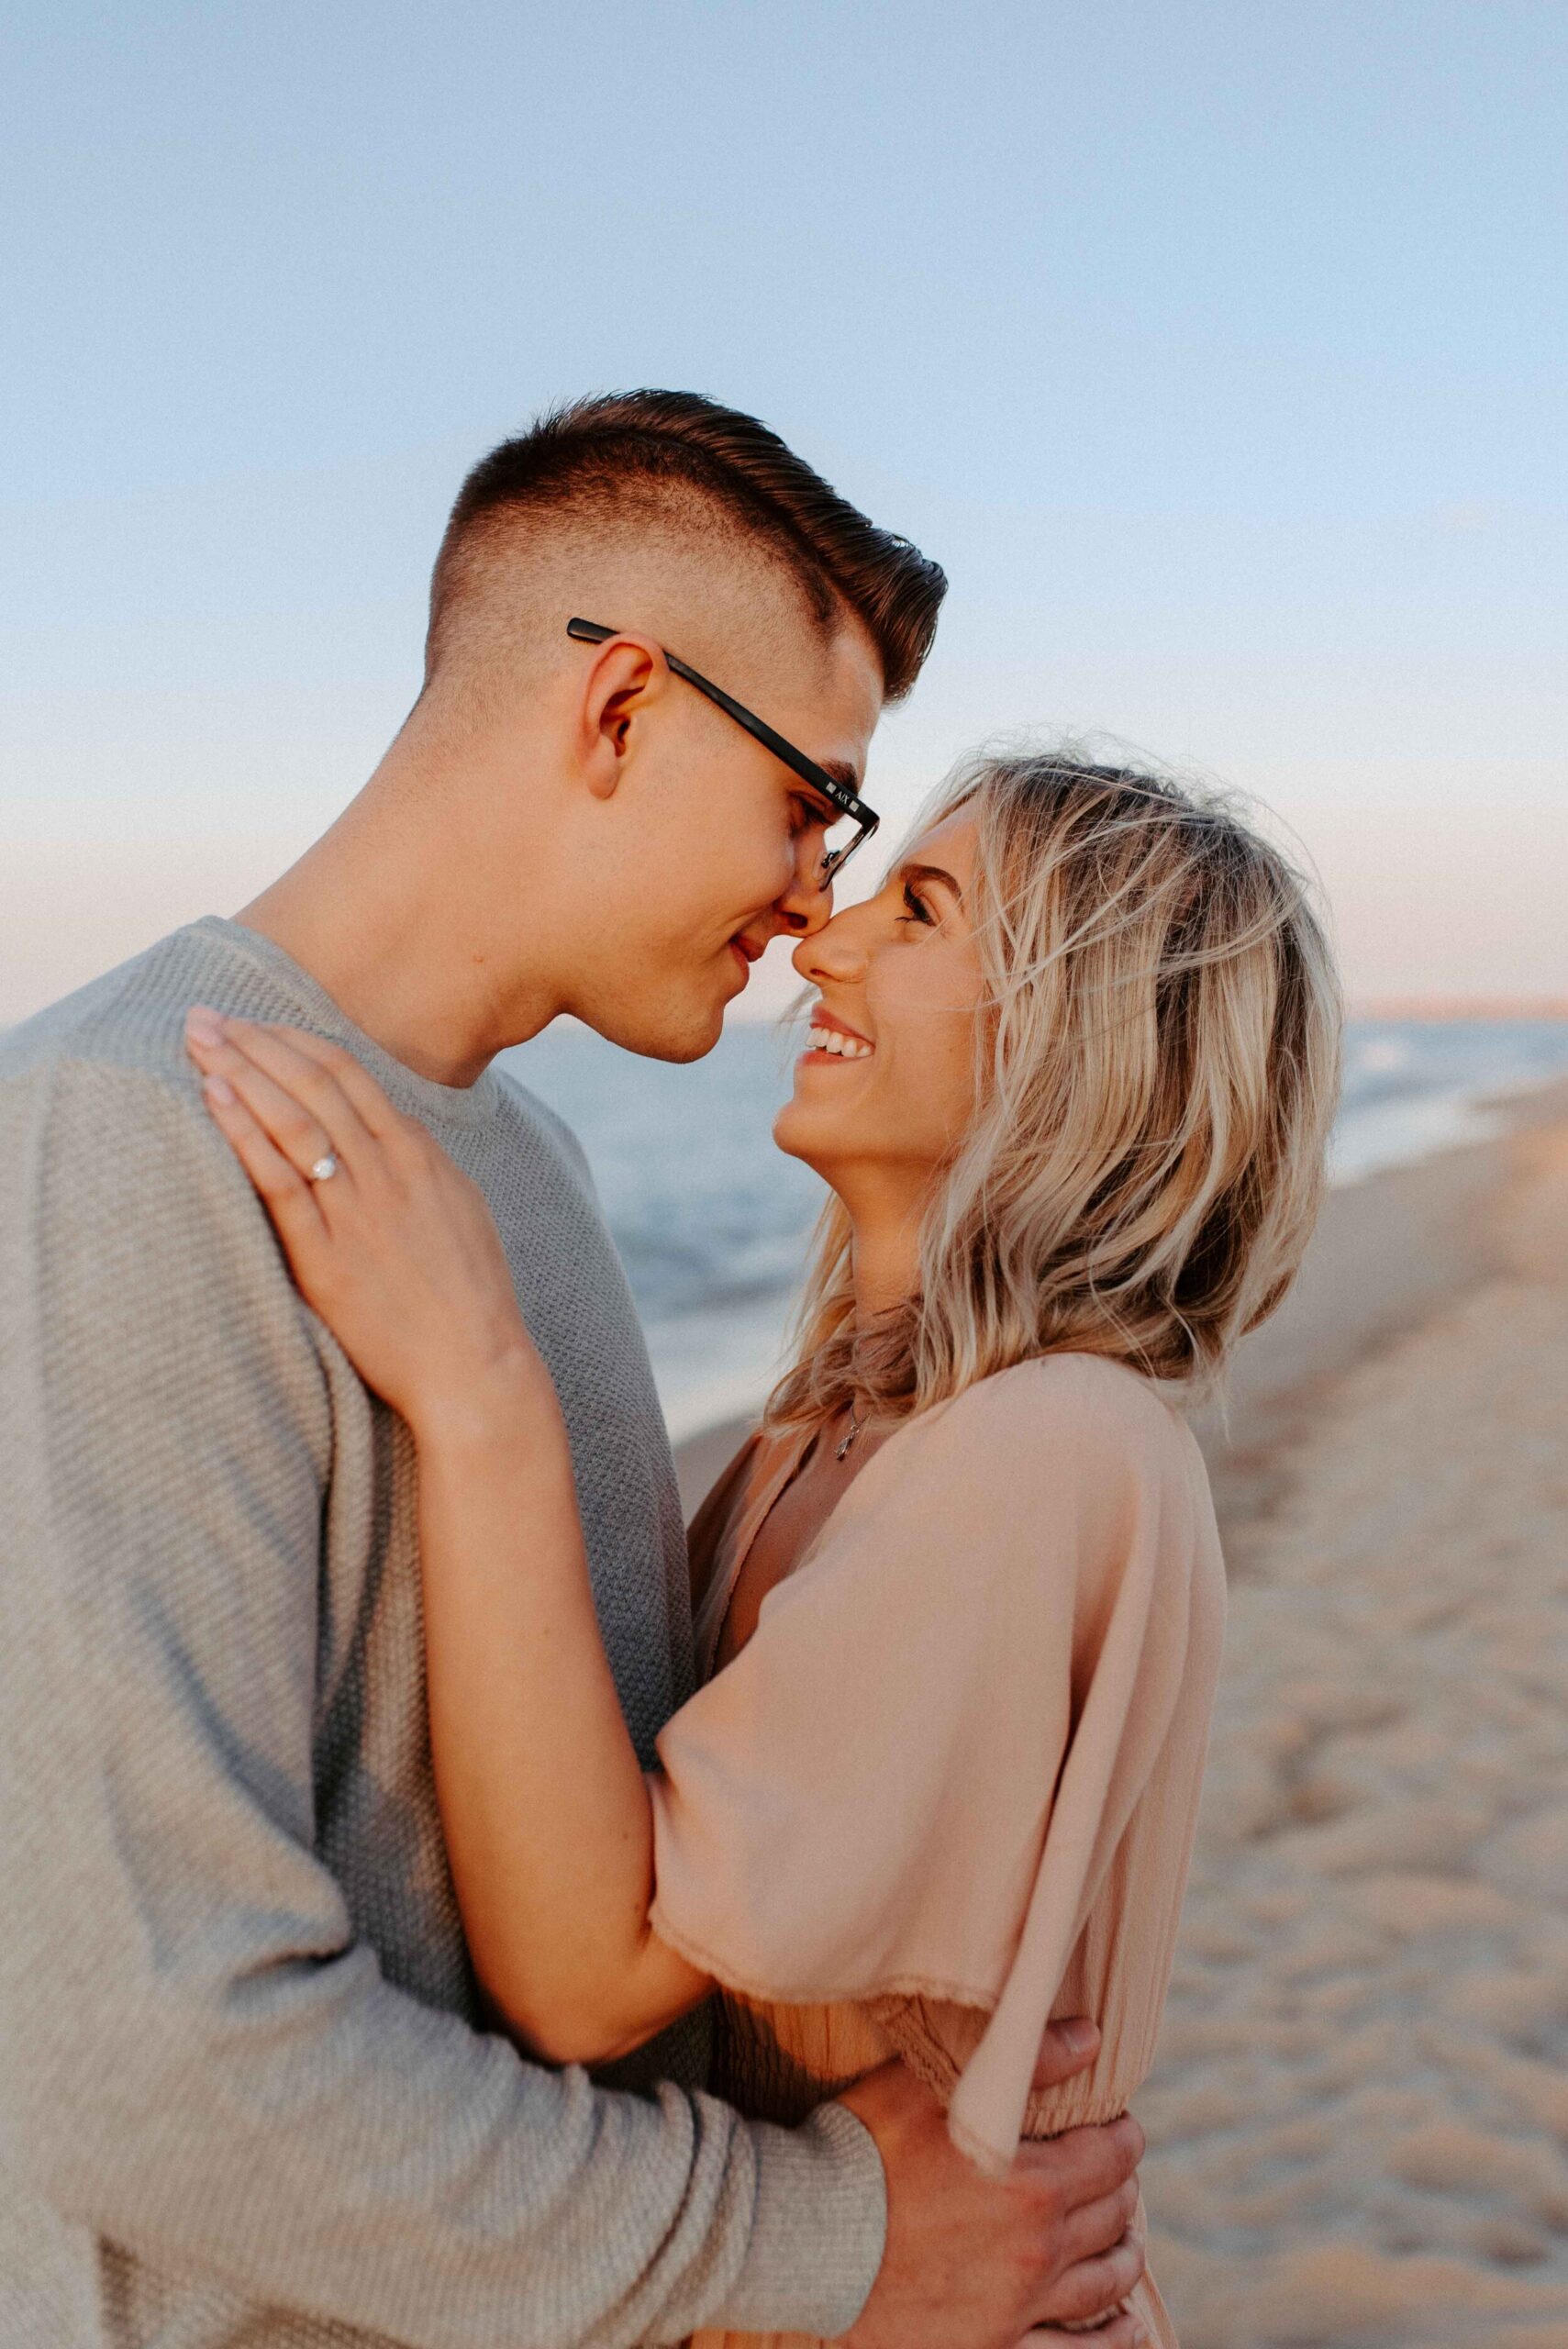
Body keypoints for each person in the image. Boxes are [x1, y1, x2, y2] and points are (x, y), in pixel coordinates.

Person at [0, 394, 1151, 2349]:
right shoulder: (114, 1142)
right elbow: (144, 2051)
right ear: (621, 707)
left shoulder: (535, 1170)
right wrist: (829, 2240)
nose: (816, 896)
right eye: (814, 798)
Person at [184, 749, 1343, 2348]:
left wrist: (478, 1387)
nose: (825, 941)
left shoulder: (1051, 1444)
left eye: (921, 912)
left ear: (1081, 1034)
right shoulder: (829, 1431)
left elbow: (591, 1974)